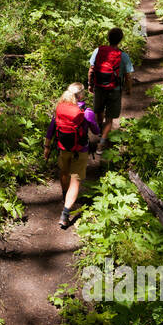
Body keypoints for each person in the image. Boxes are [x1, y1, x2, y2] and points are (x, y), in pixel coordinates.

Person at [43, 83, 101, 229]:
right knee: (75, 180)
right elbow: (95, 131)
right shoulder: (86, 112)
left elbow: (52, 128)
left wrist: (47, 146)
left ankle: (65, 195)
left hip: (63, 148)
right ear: (81, 95)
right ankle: (65, 214)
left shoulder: (61, 108)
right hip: (80, 150)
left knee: (64, 172)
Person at [88, 27, 133, 157]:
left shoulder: (98, 51)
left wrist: (90, 84)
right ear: (120, 40)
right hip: (115, 90)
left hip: (99, 87)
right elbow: (128, 76)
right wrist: (129, 89)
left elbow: (91, 69)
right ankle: (101, 143)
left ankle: (99, 131)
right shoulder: (123, 56)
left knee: (99, 111)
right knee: (109, 118)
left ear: (108, 38)